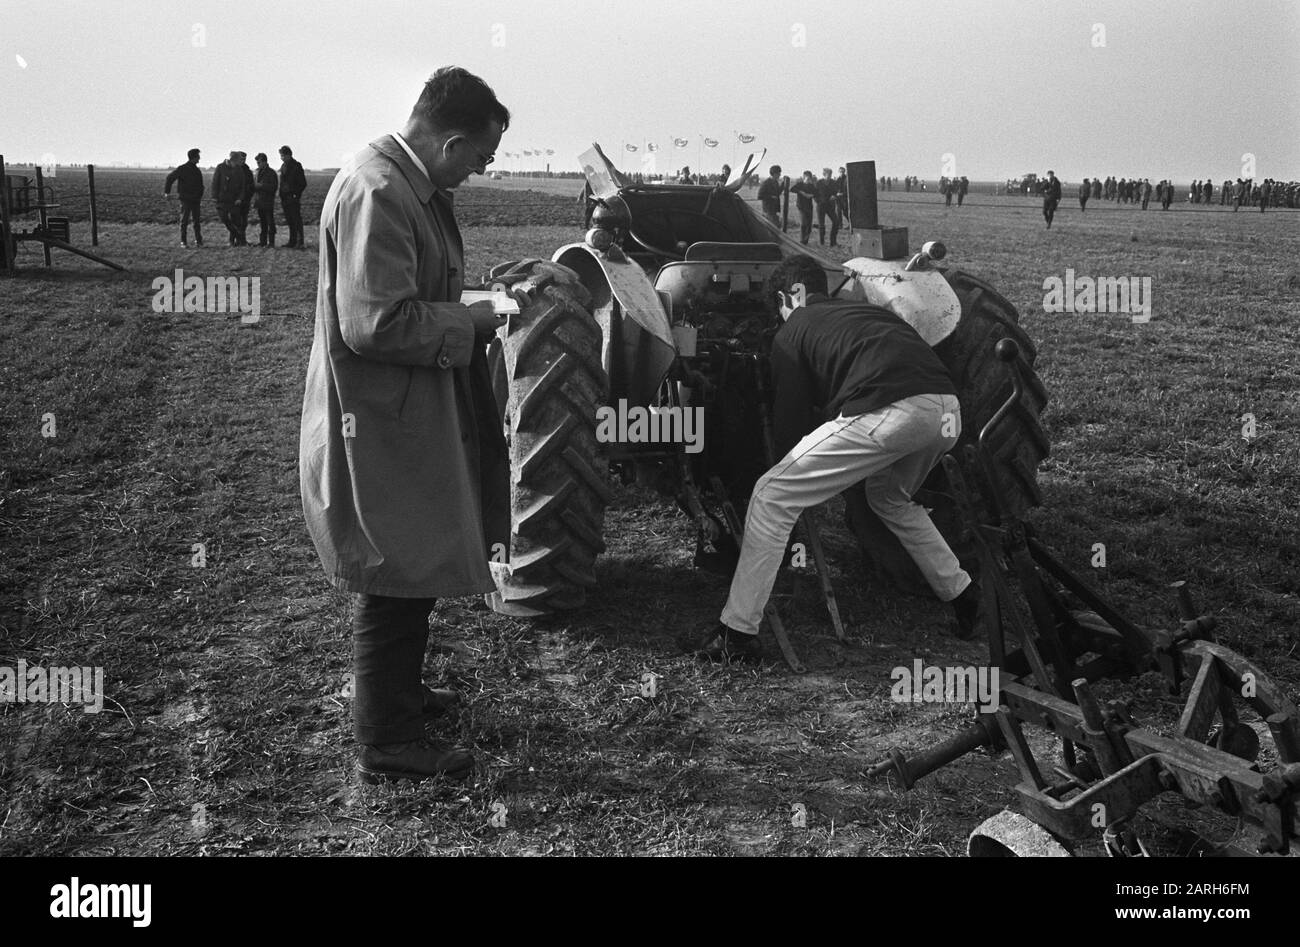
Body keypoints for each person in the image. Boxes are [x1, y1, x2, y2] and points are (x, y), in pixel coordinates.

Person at [299, 65, 513, 784]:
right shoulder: (380, 191)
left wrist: (468, 307)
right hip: (380, 420)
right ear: (450, 141)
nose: (479, 172)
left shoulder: (406, 185)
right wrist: (474, 319)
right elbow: (375, 322)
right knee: (393, 573)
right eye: (479, 159)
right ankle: (387, 739)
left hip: (404, 410)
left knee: (413, 563)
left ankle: (401, 696)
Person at [681, 254, 979, 663]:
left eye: (780, 308)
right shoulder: (868, 310)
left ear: (791, 295)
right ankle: (964, 595)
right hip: (945, 412)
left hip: (891, 411)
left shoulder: (794, 329)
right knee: (890, 500)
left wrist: (777, 467)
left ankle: (738, 633)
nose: (782, 317)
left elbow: (791, 420)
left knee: (771, 494)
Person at [163, 148, 204, 246]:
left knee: (196, 221)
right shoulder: (182, 169)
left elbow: (201, 186)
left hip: (196, 200)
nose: (199, 159)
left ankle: (199, 241)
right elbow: (170, 178)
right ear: (194, 157)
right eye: (198, 156)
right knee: (184, 221)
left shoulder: (197, 171)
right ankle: (183, 241)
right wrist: (167, 192)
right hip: (185, 199)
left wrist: (199, 195)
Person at [212, 151, 250, 245]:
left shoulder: (239, 170)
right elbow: (215, 183)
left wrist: (240, 198)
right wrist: (214, 196)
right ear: (232, 160)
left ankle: (234, 241)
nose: (238, 164)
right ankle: (238, 237)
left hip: (234, 201)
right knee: (224, 218)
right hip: (222, 200)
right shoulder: (220, 167)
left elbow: (242, 186)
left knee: (236, 222)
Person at [279, 145, 308, 248]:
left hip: (293, 197)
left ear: (288, 155)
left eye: (283, 155)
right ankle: (292, 241)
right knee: (290, 220)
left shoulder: (296, 166)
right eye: (281, 156)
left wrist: (296, 194)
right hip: (285, 198)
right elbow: (282, 183)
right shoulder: (283, 166)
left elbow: (303, 183)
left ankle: (300, 242)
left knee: (296, 220)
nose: (281, 158)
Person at [251, 152, 279, 247]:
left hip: (267, 201)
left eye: (259, 162)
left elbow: (273, 187)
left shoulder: (271, 173)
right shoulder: (256, 172)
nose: (258, 164)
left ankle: (271, 242)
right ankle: (262, 242)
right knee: (262, 222)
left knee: (270, 222)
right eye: (257, 162)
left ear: (264, 162)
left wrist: (261, 186)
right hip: (259, 201)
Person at [814, 167, 841, 246]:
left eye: (830, 174)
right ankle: (822, 242)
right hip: (821, 206)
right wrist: (819, 201)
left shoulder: (833, 183)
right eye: (828, 174)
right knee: (821, 225)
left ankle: (833, 242)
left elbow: (837, 192)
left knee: (836, 222)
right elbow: (815, 195)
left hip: (830, 206)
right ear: (824, 174)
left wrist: (835, 196)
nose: (829, 176)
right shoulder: (819, 183)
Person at [790, 170, 817, 244]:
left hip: (809, 207)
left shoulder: (811, 186)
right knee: (803, 223)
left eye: (810, 179)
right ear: (803, 177)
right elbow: (792, 189)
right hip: (801, 206)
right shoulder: (800, 184)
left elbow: (816, 193)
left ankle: (806, 240)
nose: (808, 180)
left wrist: (811, 195)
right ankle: (802, 240)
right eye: (807, 178)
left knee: (809, 225)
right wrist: (801, 192)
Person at [235, 151, 255, 245]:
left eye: (244, 159)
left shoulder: (248, 171)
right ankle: (234, 240)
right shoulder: (233, 169)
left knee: (243, 221)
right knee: (235, 221)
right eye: (241, 159)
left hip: (245, 200)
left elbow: (252, 186)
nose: (242, 160)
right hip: (235, 201)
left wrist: (248, 196)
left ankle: (242, 240)